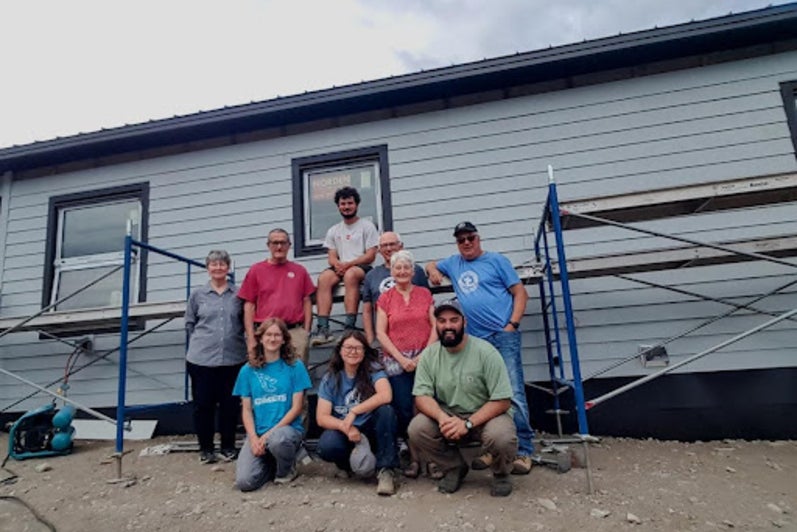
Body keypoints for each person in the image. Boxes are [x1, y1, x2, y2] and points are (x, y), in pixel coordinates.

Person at [425, 221, 534, 475]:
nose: (466, 243)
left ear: (478, 238)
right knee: (484, 394)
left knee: (513, 394)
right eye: (460, 239)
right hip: (475, 340)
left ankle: (524, 451)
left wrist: (512, 324)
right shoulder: (454, 263)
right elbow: (432, 264)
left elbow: (520, 293)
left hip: (502, 336)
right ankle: (491, 448)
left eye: (470, 238)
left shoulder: (497, 261)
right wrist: (432, 270)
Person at [409, 299, 517, 497]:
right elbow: (421, 396)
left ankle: (501, 473)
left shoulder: (486, 352)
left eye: (454, 320)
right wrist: (443, 419)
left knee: (501, 436)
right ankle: (454, 467)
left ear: (464, 322)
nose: (448, 326)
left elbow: (502, 400)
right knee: (417, 428)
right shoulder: (429, 355)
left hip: (485, 415)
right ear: (436, 324)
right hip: (449, 414)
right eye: (442, 321)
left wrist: (467, 424)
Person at [375, 249, 436, 478]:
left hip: (425, 357)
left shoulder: (424, 294)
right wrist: (402, 359)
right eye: (397, 268)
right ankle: (414, 458)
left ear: (413, 270)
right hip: (395, 360)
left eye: (406, 267)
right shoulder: (385, 298)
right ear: (391, 271)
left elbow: (434, 327)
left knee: (425, 406)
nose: (402, 271)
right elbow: (381, 332)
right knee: (403, 409)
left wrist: (422, 356)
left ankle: (432, 458)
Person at [315, 330, 400, 496]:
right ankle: (347, 465)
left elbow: (385, 395)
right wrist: (345, 426)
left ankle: (386, 470)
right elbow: (321, 417)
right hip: (346, 430)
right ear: (340, 350)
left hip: (370, 427)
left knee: (386, 411)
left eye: (357, 348)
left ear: (364, 351)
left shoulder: (374, 369)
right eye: (348, 347)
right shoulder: (331, 377)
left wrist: (354, 411)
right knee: (327, 446)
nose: (352, 352)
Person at [232, 318, 313, 491]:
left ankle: (286, 470)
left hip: (286, 430)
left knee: (278, 440)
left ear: (284, 339)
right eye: (268, 335)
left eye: (277, 335)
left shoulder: (295, 366)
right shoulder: (248, 370)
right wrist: (254, 438)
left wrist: (267, 436)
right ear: (261, 338)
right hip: (258, 432)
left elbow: (296, 407)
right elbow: (246, 410)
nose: (272, 339)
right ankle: (270, 463)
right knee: (245, 482)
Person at [185, 250, 247, 464]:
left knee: (230, 405)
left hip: (233, 358)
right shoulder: (198, 295)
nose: (218, 268)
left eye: (222, 264)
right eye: (214, 264)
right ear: (207, 267)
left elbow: (244, 321)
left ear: (228, 268)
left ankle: (228, 447)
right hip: (202, 360)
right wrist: (204, 342)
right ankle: (206, 449)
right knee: (203, 405)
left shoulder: (239, 294)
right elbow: (190, 323)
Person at [310, 187, 379, 346]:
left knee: (351, 275)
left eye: (349, 203)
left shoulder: (367, 226)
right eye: (343, 204)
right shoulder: (333, 230)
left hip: (362, 268)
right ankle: (323, 329)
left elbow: (370, 256)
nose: (346, 207)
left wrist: (348, 264)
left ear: (356, 205)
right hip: (341, 267)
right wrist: (337, 264)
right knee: (324, 278)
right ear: (338, 206)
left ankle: (349, 327)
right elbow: (332, 256)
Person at [237, 228, 315, 365]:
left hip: (294, 333)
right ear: (268, 245)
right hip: (265, 333)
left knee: (295, 378)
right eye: (275, 243)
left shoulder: (300, 271)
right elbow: (249, 305)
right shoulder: (256, 270)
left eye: (283, 243)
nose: (279, 247)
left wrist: (306, 331)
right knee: (265, 377)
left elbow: (307, 301)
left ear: (289, 245)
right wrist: (250, 337)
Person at [361, 231, 429, 346]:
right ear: (379, 250)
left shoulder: (416, 271)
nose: (388, 248)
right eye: (384, 245)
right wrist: (370, 339)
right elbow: (367, 310)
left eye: (392, 244)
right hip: (385, 341)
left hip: (417, 339)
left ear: (401, 246)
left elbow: (427, 304)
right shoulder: (371, 275)